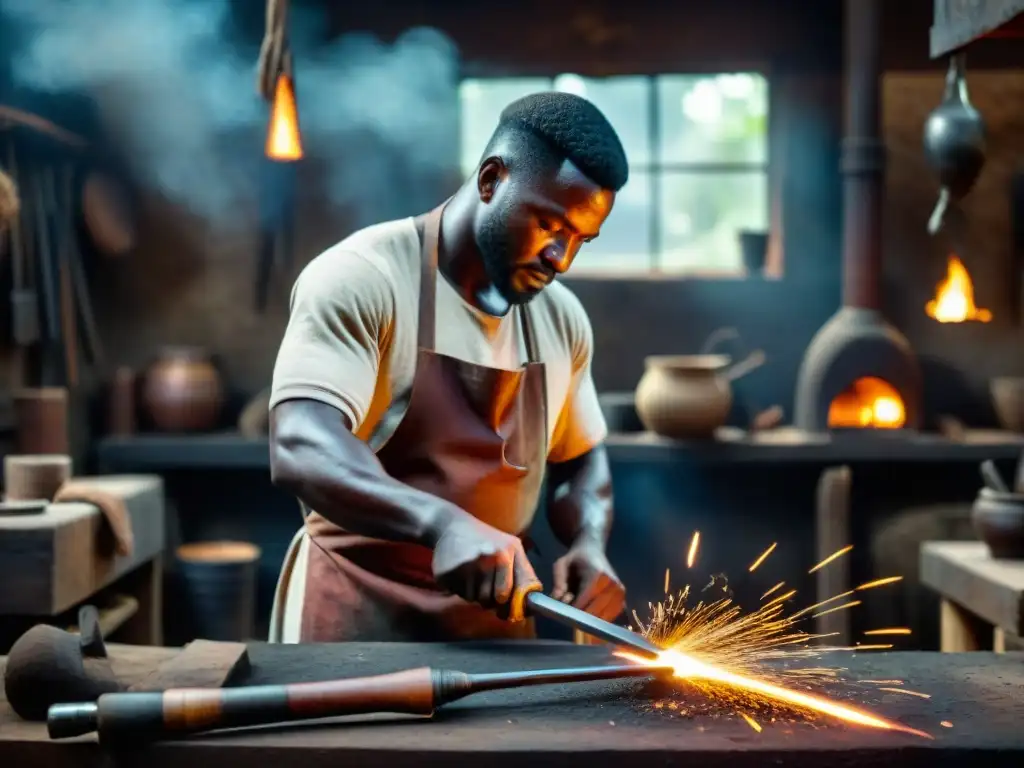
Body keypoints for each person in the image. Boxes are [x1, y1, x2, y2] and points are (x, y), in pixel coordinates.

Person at [268, 91, 629, 643]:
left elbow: (582, 464)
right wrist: (444, 524)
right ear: (490, 181)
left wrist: (590, 542)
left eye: (581, 239)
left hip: (493, 628)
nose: (562, 259)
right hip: (353, 618)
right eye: (550, 223)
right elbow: (300, 444)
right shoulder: (363, 276)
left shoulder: (561, 319)